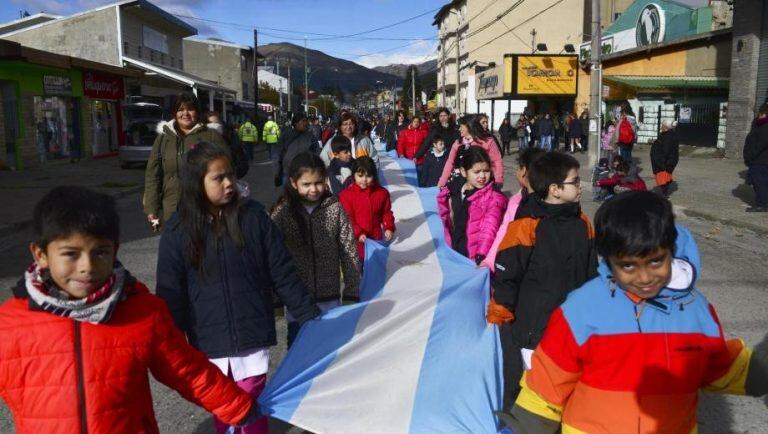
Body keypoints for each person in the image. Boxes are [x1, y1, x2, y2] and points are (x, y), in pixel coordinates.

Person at [502, 191, 768, 433]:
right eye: (628, 266)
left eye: (655, 261)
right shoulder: (582, 309)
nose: (644, 277)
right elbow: (549, 380)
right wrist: (527, 426)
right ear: (608, 260)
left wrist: (759, 372)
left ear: (670, 251)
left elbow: (718, 364)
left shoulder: (695, 311)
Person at [0, 186, 258, 432]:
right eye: (70, 254)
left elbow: (187, 370)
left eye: (100, 252)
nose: (86, 266)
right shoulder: (9, 325)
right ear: (40, 254)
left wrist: (238, 406)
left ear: (116, 251)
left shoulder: (141, 311)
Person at [156, 142, 320, 434]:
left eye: (230, 174)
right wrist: (171, 338)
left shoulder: (253, 217)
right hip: (209, 338)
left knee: (250, 402)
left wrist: (308, 315)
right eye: (218, 178)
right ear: (197, 183)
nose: (229, 183)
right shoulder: (179, 229)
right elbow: (171, 290)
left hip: (252, 335)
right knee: (225, 406)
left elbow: (282, 270)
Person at [488, 152, 597, 410]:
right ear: (555, 189)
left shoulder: (583, 223)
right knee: (534, 396)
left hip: (573, 326)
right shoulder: (527, 225)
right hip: (533, 330)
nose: (580, 186)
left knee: (569, 393)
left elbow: (593, 272)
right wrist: (500, 311)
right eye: (575, 181)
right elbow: (508, 274)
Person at [271, 152, 360, 347]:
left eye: (318, 182)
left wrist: (352, 292)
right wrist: (276, 299)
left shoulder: (334, 208)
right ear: (294, 183)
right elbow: (273, 258)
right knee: (299, 351)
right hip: (298, 301)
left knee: (330, 353)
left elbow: (348, 250)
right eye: (306, 184)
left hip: (330, 298)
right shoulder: (283, 212)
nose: (314, 189)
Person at [144, 92, 228, 224]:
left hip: (204, 206)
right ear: (174, 113)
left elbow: (226, 171)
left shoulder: (211, 136)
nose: (185, 113)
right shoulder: (163, 139)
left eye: (190, 109)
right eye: (181, 109)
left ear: (197, 112)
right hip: (172, 208)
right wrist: (151, 208)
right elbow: (153, 175)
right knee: (174, 243)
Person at [437, 146, 507, 264]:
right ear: (464, 172)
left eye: (486, 171)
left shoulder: (494, 198)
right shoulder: (453, 189)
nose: (482, 176)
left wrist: (481, 256)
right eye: (476, 172)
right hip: (454, 249)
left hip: (473, 257)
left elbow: (489, 229)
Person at [481, 147, 546, 272]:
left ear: (524, 171)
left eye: (518, 167)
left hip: (517, 268)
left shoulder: (517, 203)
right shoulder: (551, 200)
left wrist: (489, 262)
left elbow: (504, 233)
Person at [339, 156, 395, 261]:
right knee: (359, 266)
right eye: (360, 176)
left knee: (375, 265)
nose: (364, 180)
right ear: (353, 175)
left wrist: (388, 227)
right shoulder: (346, 196)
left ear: (374, 176)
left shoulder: (381, 193)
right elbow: (348, 219)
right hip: (355, 242)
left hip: (375, 238)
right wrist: (358, 233)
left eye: (368, 176)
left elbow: (386, 212)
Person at [437, 115, 505, 188]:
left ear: (469, 126)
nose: (459, 129)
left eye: (461, 126)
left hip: (483, 181)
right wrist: (442, 182)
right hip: (462, 182)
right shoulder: (458, 143)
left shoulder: (487, 142)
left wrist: (498, 179)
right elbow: (450, 163)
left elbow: (497, 161)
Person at [273, 112, 318, 187]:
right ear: (296, 123)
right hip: (288, 173)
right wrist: (276, 172)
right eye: (303, 121)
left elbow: (316, 153)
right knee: (288, 195)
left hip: (305, 173)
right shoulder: (286, 135)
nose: (306, 123)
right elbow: (277, 154)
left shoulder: (311, 137)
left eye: (306, 121)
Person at [207, 111, 249, 179]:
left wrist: (231, 175)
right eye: (210, 124)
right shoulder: (202, 140)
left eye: (216, 123)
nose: (214, 127)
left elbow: (243, 164)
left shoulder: (231, 138)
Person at [744, 104, 768, 212]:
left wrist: (749, 156)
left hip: (760, 159)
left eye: (760, 113)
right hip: (758, 159)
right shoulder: (758, 123)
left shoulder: (764, 125)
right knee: (760, 181)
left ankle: (762, 204)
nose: (759, 115)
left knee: (759, 182)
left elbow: (760, 144)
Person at [650, 119, 680, 198]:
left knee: (662, 179)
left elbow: (665, 150)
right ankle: (664, 193)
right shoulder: (669, 135)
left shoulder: (667, 137)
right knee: (665, 178)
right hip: (668, 161)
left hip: (664, 162)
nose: (661, 127)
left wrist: (661, 162)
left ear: (666, 127)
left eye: (662, 126)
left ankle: (664, 195)